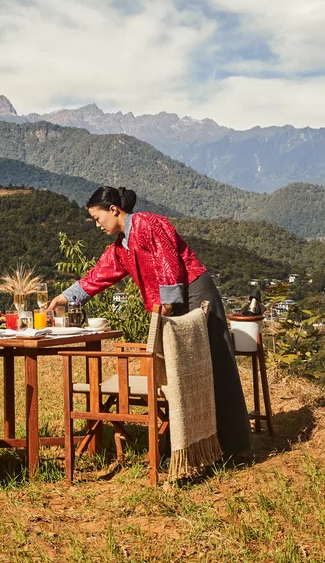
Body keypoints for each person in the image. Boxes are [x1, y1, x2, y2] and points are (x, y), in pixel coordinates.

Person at [48, 185, 252, 457]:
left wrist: (166, 304)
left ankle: (236, 448)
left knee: (216, 365)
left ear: (113, 209)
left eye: (98, 218)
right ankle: (190, 446)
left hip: (194, 292)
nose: (97, 225)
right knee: (180, 374)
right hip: (170, 304)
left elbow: (169, 261)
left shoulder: (147, 222)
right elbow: (100, 274)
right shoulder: (121, 247)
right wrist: (64, 297)